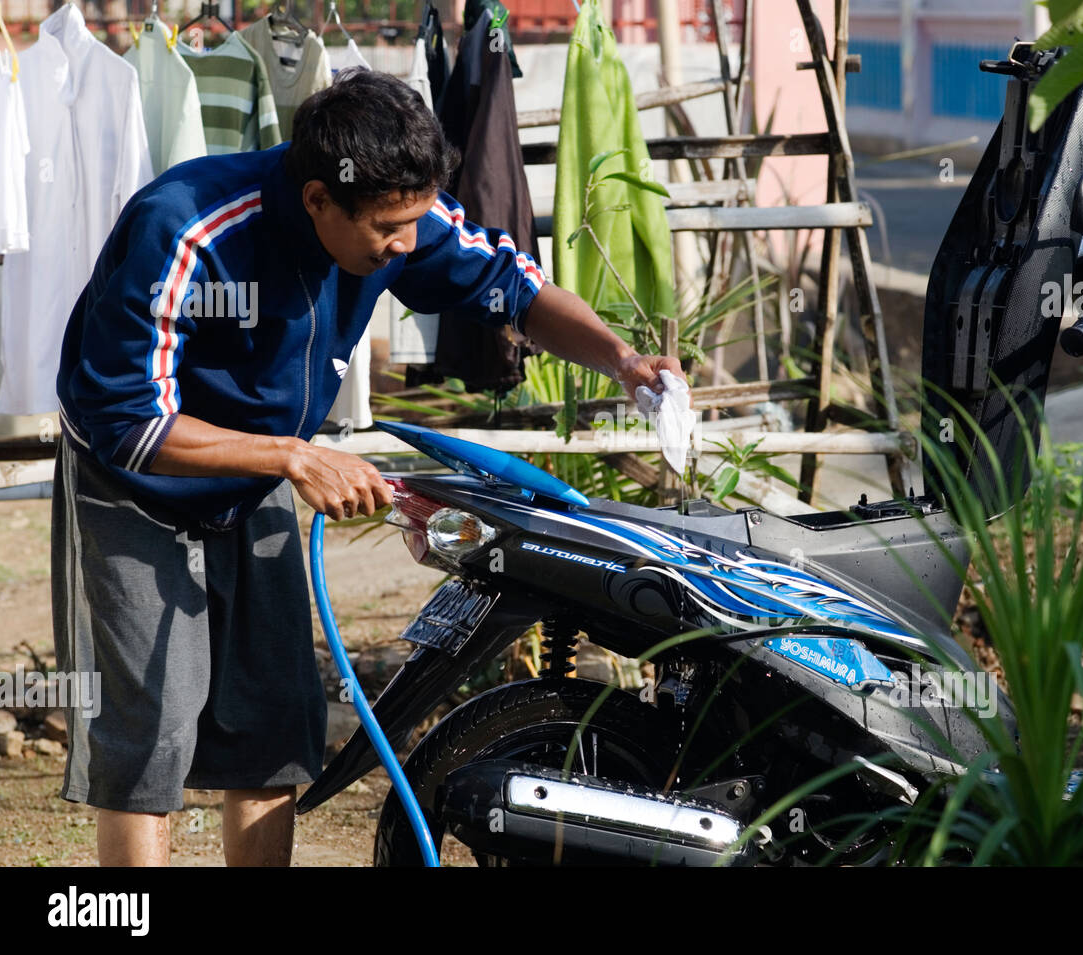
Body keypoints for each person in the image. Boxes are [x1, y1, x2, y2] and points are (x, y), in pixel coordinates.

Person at [52, 68, 686, 866]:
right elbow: (124, 422)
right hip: (139, 484)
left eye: (416, 221)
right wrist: (292, 454)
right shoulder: (186, 227)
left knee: (274, 723)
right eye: (390, 227)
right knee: (155, 730)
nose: (409, 245)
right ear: (319, 199)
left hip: (260, 479)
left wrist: (622, 360)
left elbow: (513, 289)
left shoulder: (396, 208)